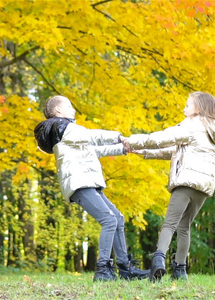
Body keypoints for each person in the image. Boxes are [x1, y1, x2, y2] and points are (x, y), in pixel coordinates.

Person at [121, 92, 215, 281]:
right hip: (203, 188)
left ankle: (158, 260)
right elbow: (172, 151)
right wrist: (141, 151)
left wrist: (131, 140)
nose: (184, 109)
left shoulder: (191, 125)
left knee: (169, 224)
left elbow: (162, 138)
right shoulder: (210, 129)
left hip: (186, 182)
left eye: (187, 105)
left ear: (197, 108)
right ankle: (180, 270)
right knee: (185, 226)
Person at [34, 95, 149, 282]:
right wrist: (118, 137)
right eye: (69, 106)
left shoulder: (68, 134)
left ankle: (125, 269)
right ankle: (103, 270)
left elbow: (94, 150)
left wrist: (123, 149)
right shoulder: (62, 127)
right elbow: (92, 137)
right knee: (109, 220)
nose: (73, 110)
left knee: (117, 218)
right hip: (80, 183)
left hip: (87, 181)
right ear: (58, 111)